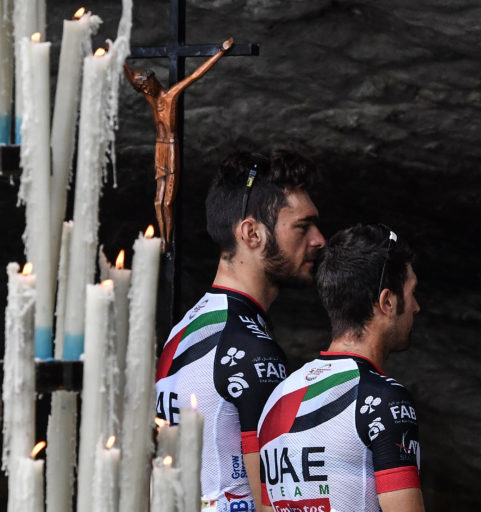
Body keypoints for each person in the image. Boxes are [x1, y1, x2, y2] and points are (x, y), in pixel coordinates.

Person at [155, 149, 325, 512]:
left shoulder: (185, 328)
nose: (319, 240)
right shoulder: (252, 349)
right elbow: (271, 503)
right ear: (251, 233)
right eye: (302, 226)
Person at [258, 224, 425, 512]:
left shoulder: (276, 398)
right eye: (411, 293)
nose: (417, 307)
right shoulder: (383, 400)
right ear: (387, 302)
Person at [124, 37, 233, 250]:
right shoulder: (151, 98)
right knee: (157, 201)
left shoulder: (170, 96)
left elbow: (196, 74)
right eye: (143, 90)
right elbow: (131, 80)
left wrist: (220, 51)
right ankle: (163, 238)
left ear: (153, 82)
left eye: (147, 87)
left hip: (171, 148)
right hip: (159, 148)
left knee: (167, 202)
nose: (145, 92)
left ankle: (167, 239)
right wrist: (119, 58)